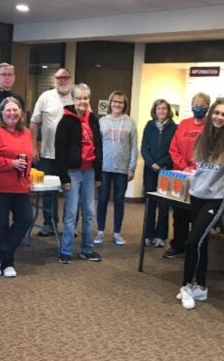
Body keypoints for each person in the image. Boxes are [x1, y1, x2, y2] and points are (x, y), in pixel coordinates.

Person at [175, 98, 224, 310]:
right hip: (197, 196)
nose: (219, 117)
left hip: (216, 199)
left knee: (192, 241)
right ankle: (201, 287)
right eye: (216, 113)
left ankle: (186, 286)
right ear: (211, 114)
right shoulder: (203, 139)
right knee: (201, 243)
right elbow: (199, 170)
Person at [0, 97, 34, 278]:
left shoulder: (26, 132)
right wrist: (10, 163)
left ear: (21, 113)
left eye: (15, 110)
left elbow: (28, 159)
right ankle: (7, 263)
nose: (12, 114)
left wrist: (27, 177)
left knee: (26, 219)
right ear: (1, 113)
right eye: (8, 110)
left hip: (19, 186)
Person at [54, 83, 103, 264]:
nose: (83, 101)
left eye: (86, 98)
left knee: (89, 213)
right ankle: (66, 251)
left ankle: (87, 249)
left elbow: (98, 146)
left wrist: (98, 173)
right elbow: (59, 151)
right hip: (72, 173)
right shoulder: (66, 121)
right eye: (79, 98)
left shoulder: (93, 119)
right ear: (73, 100)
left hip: (89, 171)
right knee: (71, 213)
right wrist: (63, 177)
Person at [164, 92, 210, 259]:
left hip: (202, 176)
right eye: (196, 104)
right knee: (179, 213)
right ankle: (178, 245)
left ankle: (194, 246)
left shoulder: (210, 126)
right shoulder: (183, 124)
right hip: (181, 175)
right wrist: (184, 167)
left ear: (207, 108)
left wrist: (197, 168)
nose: (198, 107)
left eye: (202, 105)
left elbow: (211, 151)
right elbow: (173, 148)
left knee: (196, 214)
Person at [30, 68, 75, 234]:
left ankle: (70, 226)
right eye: (59, 78)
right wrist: (33, 146)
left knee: (71, 191)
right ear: (54, 80)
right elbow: (34, 123)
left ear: (70, 79)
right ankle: (50, 224)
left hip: (71, 156)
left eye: (65, 78)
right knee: (49, 191)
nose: (62, 81)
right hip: (48, 153)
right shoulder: (45, 97)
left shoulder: (77, 97)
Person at [95, 90, 138, 246]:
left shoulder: (130, 122)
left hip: (122, 169)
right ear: (110, 103)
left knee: (119, 201)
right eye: (114, 101)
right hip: (104, 168)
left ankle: (117, 233)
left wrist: (132, 168)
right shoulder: (102, 121)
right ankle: (100, 232)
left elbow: (134, 146)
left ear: (124, 104)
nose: (117, 104)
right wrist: (96, 167)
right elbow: (97, 146)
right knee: (102, 200)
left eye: (120, 102)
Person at [140, 99, 177, 248]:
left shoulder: (175, 127)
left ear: (168, 111)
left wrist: (161, 163)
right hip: (150, 170)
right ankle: (148, 234)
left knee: (163, 205)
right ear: (154, 111)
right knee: (150, 203)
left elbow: (173, 150)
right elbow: (144, 147)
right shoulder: (149, 125)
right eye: (158, 109)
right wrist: (151, 163)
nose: (161, 111)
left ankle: (161, 236)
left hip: (166, 171)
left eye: (164, 109)